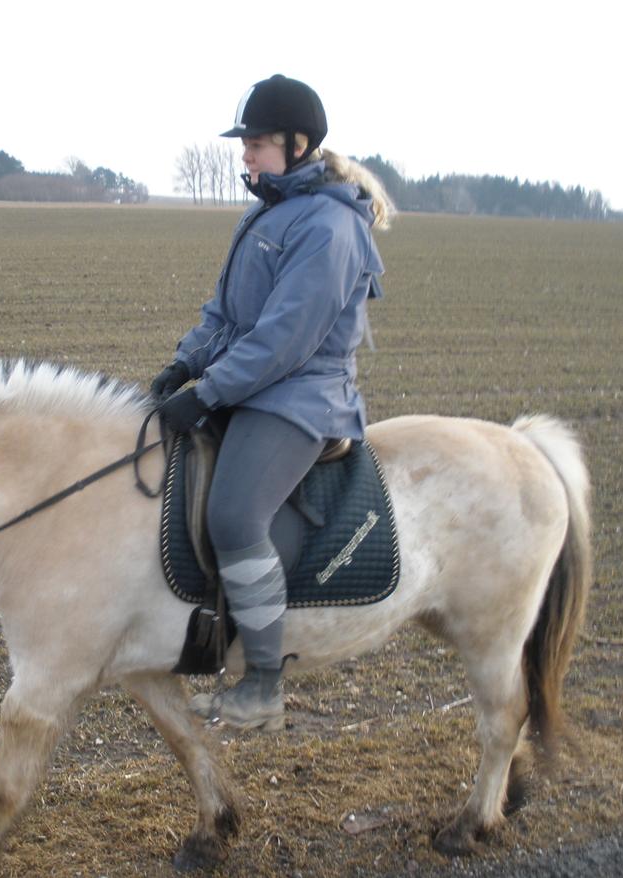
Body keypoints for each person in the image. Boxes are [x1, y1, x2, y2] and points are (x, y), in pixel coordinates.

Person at [151, 74, 393, 731]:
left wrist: (210, 394)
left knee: (232, 514)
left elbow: (283, 340)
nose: (246, 156)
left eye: (256, 144)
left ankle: (261, 681)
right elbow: (227, 314)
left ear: (298, 143)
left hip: (302, 398)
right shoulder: (267, 212)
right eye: (246, 145)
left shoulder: (330, 227)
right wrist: (185, 361)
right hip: (258, 380)